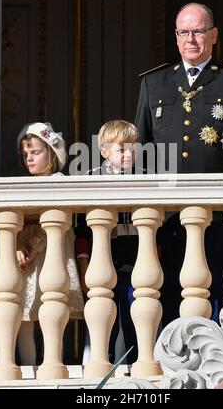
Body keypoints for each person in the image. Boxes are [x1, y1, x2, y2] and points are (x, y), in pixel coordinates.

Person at [135, 2, 223, 326]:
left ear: (213, 34)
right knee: (165, 296)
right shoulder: (155, 83)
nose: (190, 39)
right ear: (176, 36)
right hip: (167, 218)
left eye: (198, 31)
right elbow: (139, 153)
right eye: (184, 32)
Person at [75, 120, 150, 365]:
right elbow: (82, 232)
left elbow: (153, 230)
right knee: (101, 322)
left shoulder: (147, 178)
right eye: (122, 149)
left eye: (134, 147)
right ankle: (98, 368)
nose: (130, 153)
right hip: (102, 262)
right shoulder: (90, 179)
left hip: (136, 264)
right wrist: (84, 266)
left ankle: (134, 367)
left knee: (135, 320)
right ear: (105, 152)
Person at [16, 122, 84, 365]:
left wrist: (34, 249)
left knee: (52, 310)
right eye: (26, 155)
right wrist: (17, 246)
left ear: (52, 154)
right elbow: (13, 222)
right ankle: (28, 365)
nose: (29, 159)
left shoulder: (58, 181)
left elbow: (56, 222)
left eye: (35, 153)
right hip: (26, 258)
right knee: (24, 312)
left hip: (48, 256)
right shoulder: (22, 186)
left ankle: (52, 362)